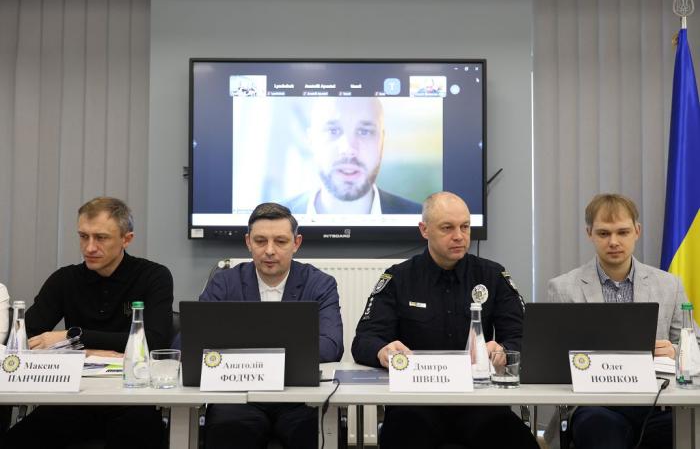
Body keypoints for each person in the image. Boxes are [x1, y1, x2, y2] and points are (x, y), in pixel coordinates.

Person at [351, 191, 539, 449]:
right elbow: (364, 340)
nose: (459, 236)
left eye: (465, 226)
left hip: (480, 402)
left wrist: (504, 350)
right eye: (447, 228)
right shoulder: (399, 278)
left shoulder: (492, 275)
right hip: (416, 404)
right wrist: (382, 351)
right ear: (424, 230)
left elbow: (525, 336)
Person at [2, 197, 173, 449]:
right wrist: (90, 352)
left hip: (132, 400)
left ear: (126, 239)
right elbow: (25, 341)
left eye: (101, 238)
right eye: (83, 236)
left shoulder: (153, 277)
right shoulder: (64, 280)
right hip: (73, 399)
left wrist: (73, 336)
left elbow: (154, 343)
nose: (89, 247)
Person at [546, 193, 700, 449]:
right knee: (600, 431)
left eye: (623, 232)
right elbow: (551, 359)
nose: (614, 242)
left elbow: (696, 347)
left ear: (637, 231)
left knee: (685, 429)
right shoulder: (563, 288)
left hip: (657, 404)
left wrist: (676, 351)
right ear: (589, 233)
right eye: (604, 233)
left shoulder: (669, 285)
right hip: (595, 405)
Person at [197, 202, 343, 449]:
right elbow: (191, 340)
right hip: (238, 397)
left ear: (296, 243)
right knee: (227, 430)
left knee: (312, 430)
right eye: (260, 241)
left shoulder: (320, 284)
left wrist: (255, 356)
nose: (270, 251)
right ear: (248, 242)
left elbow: (331, 346)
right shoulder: (224, 283)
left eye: (281, 241)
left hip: (300, 397)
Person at [285, 97, 422, 214]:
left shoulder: (422, 221)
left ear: (382, 141)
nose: (349, 149)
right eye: (333, 131)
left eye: (364, 132)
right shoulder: (274, 221)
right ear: (311, 141)